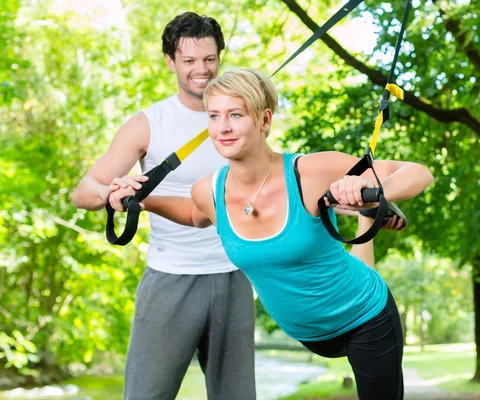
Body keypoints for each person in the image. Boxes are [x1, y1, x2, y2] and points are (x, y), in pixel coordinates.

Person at [110, 67, 433, 399]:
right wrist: (143, 200)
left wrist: (372, 188)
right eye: (214, 115)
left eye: (235, 114)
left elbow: (418, 174)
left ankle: (367, 215)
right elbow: (195, 215)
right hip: (307, 334)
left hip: (365, 317)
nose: (222, 127)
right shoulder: (208, 191)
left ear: (264, 120)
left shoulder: (309, 173)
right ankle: (366, 218)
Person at [72, 14, 256, 400]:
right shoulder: (148, 124)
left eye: (209, 59)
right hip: (171, 278)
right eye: (189, 61)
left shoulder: (242, 118)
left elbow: (276, 185)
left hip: (235, 275)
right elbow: (84, 191)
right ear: (171, 61)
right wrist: (114, 194)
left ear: (220, 57)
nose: (201, 70)